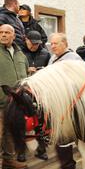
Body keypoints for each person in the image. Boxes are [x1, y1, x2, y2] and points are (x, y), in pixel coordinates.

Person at [48, 33, 83, 169]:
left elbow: (79, 81)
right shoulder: (53, 58)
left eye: (56, 43)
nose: (53, 46)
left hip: (70, 104)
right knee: (59, 136)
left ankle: (68, 168)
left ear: (65, 43)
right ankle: (65, 166)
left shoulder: (73, 58)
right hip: (58, 104)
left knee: (63, 136)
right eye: (51, 44)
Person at [0, 24, 29, 169]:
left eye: (7, 32)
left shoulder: (20, 54)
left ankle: (9, 159)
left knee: (10, 132)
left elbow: (25, 75)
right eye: (1, 32)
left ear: (13, 35)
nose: (3, 35)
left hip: (16, 103)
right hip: (0, 100)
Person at [18, 31, 51, 161]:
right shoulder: (19, 53)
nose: (34, 46)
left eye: (37, 44)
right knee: (22, 122)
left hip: (39, 91)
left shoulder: (46, 54)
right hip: (23, 91)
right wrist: (27, 70)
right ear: (26, 40)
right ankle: (21, 152)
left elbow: (50, 70)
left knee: (40, 122)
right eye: (32, 43)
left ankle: (41, 149)